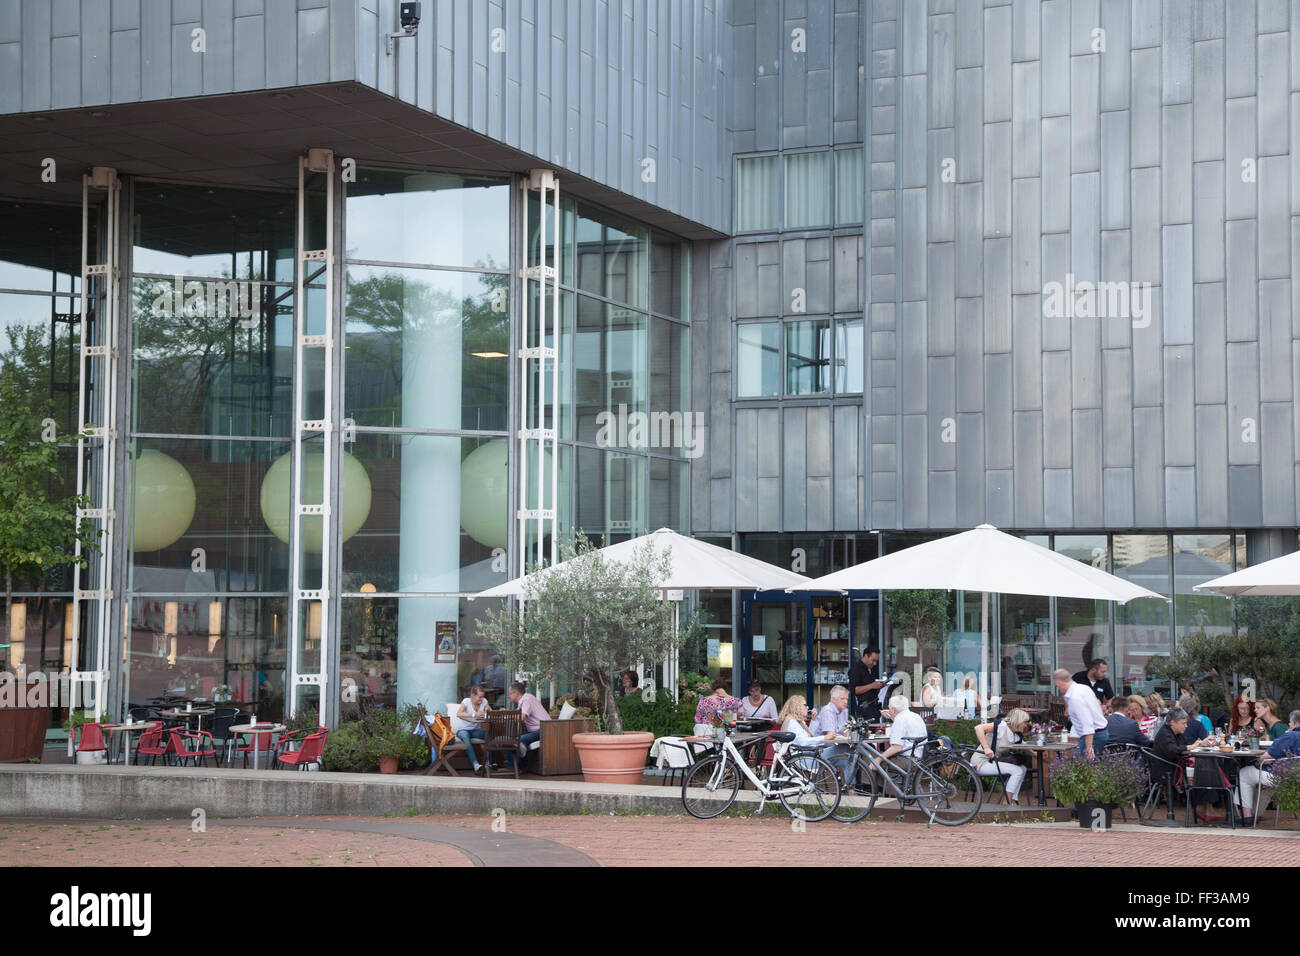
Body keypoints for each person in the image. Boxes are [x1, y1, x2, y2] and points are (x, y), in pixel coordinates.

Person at [1237, 709, 1300, 823]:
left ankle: (1247, 816)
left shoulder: (1291, 736)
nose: (1289, 725)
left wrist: (1258, 761)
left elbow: (1266, 758)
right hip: (1295, 778)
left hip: (1282, 778)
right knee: (1266, 785)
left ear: (1296, 724)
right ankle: (1256, 814)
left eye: (1290, 723)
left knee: (1243, 774)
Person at [971, 708, 1032, 804]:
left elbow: (1024, 746)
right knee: (1017, 770)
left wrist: (1038, 755)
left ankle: (1012, 800)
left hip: (993, 762)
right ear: (1018, 721)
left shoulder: (1015, 735)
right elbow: (978, 728)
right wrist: (986, 748)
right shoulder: (1001, 726)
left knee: (1023, 768)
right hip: (981, 762)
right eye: (1024, 722)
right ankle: (1006, 804)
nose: (1026, 725)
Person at [1053, 668, 1108, 758]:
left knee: (1079, 767)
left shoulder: (1075, 697)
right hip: (1097, 733)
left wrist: (1089, 747)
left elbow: (1087, 723)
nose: (1059, 689)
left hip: (1093, 735)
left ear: (1060, 683)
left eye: (1057, 686)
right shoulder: (1083, 688)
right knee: (1081, 767)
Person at [874, 693, 929, 772]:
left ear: (893, 710)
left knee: (871, 759)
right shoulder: (915, 716)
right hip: (920, 758)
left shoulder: (900, 720)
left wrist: (878, 760)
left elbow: (897, 748)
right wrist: (893, 717)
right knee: (880, 758)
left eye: (889, 708)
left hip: (907, 760)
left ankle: (868, 784)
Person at [507, 681, 551, 772]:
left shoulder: (527, 699)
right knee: (512, 739)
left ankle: (516, 767)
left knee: (514, 740)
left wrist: (508, 715)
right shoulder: (524, 700)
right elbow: (517, 714)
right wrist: (507, 712)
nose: (509, 696)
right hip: (539, 730)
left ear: (516, 693)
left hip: (543, 730)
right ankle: (518, 765)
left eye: (510, 693)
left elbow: (522, 717)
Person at [810, 685, 853, 776]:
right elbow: (831, 736)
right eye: (842, 699)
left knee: (853, 753)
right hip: (819, 752)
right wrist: (847, 739)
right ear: (833, 699)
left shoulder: (844, 711)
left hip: (831, 749)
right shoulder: (827, 710)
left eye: (847, 699)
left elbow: (845, 732)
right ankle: (850, 787)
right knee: (848, 750)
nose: (846, 702)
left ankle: (851, 786)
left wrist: (848, 733)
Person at [451, 684, 491, 775]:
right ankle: (476, 765)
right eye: (479, 697)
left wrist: (485, 713)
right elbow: (459, 714)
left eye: (482, 697)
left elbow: (490, 713)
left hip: (475, 731)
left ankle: (488, 764)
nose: (481, 699)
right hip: (463, 730)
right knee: (465, 736)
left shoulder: (484, 701)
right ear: (473, 695)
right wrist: (474, 715)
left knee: (488, 734)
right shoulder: (466, 701)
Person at [848, 648, 885, 718]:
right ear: (865, 656)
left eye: (876, 661)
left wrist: (879, 687)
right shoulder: (856, 669)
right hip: (865, 709)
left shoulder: (870, 669)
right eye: (873, 660)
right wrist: (872, 685)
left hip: (874, 707)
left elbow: (870, 688)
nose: (875, 663)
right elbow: (854, 690)